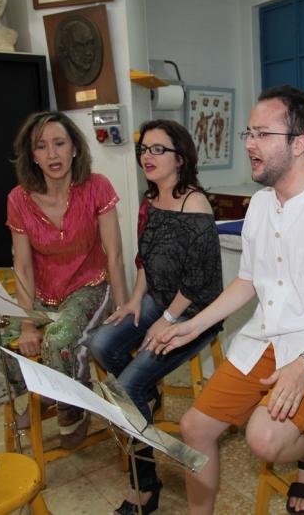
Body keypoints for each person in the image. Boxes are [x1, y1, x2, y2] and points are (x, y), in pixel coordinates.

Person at [150, 85, 304, 514]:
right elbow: (249, 282)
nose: (250, 144)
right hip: (269, 338)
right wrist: (192, 325)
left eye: (262, 134)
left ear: (298, 143)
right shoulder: (260, 205)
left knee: (264, 439)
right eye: (248, 133)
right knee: (195, 427)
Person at [0, 111, 128, 450]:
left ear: (74, 148)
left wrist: (121, 309)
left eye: (59, 144)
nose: (52, 154)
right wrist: (27, 323)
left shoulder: (97, 186)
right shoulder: (18, 198)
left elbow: (115, 255)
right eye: (41, 147)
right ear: (32, 155)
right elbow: (23, 266)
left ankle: (72, 410)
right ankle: (42, 390)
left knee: (58, 340)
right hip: (41, 295)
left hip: (90, 287)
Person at [87, 120, 223, 515]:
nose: (147, 156)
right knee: (101, 344)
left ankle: (144, 485)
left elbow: (198, 281)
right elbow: (146, 258)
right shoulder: (151, 201)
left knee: (125, 389)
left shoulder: (195, 205)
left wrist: (165, 319)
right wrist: (133, 300)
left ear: (180, 158)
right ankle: (146, 392)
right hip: (159, 299)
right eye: (144, 149)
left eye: (157, 149)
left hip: (195, 310)